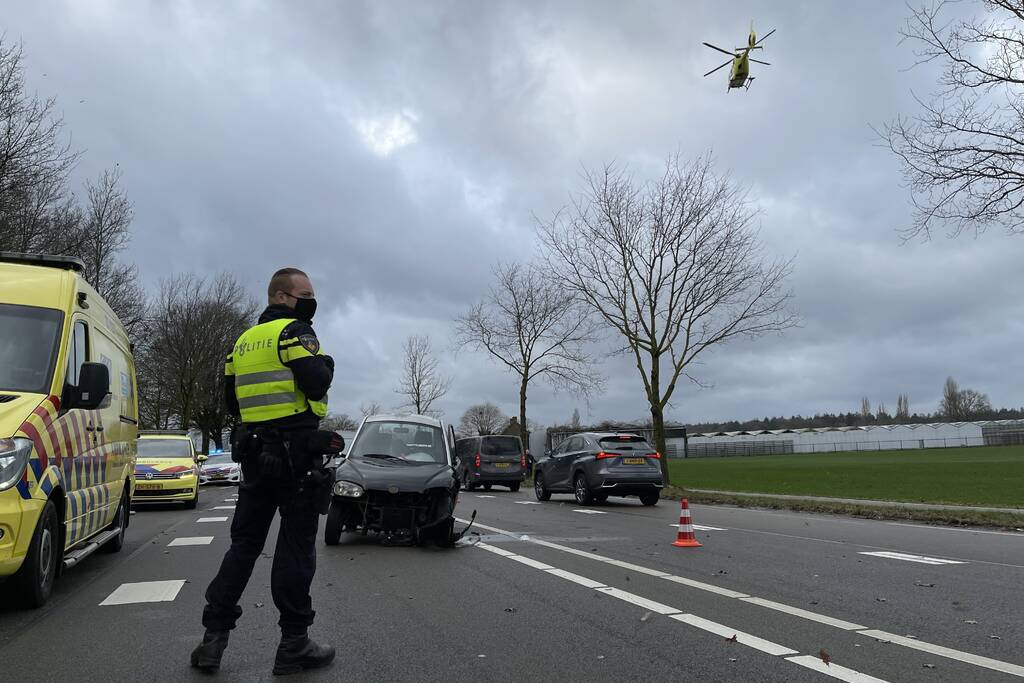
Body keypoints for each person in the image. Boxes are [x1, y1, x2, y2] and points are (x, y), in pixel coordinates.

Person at [191, 267, 337, 676]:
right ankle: (294, 644)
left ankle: (212, 642)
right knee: (294, 550)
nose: (311, 301)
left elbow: (232, 404)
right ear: (280, 297)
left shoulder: (239, 344)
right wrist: (324, 360)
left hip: (256, 455)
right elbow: (316, 383)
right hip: (296, 458)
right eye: (304, 293)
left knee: (244, 546)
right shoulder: (294, 333)